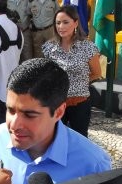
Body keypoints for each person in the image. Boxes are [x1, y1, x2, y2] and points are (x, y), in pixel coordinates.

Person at [42, 5, 102, 137]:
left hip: (79, 103)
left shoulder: (87, 47)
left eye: (65, 22)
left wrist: (79, 81)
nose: (61, 26)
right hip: (57, 102)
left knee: (79, 139)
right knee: (55, 138)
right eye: (58, 23)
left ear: (75, 23)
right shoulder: (49, 48)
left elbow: (97, 73)